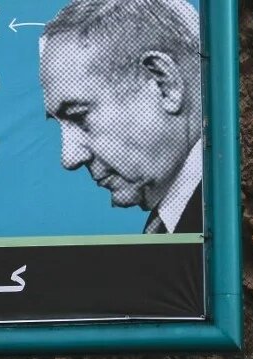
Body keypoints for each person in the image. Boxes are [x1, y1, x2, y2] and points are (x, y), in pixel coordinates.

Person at [40, 0, 203, 235]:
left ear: (164, 83)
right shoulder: (185, 217)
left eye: (79, 116)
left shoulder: (237, 213)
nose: (69, 158)